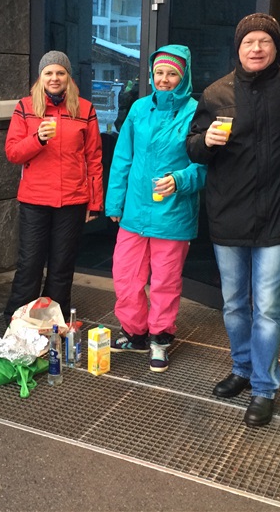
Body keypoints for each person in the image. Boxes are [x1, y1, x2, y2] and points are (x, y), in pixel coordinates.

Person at [186, 13, 280, 428]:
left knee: (268, 308)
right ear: (237, 48)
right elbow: (192, 147)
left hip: (275, 216)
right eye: (248, 42)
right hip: (228, 213)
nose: (256, 48)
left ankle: (264, 387)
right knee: (235, 303)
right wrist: (206, 141)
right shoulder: (216, 92)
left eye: (264, 41)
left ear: (275, 46)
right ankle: (241, 368)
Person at [105, 45, 206, 372]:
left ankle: (160, 338)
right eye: (159, 72)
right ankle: (134, 333)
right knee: (125, 276)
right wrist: (115, 201)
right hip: (135, 210)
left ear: (183, 76)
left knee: (165, 280)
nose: (164, 79)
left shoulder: (196, 112)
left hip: (173, 213)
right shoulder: (138, 109)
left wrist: (179, 180)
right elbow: (123, 157)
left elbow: (205, 165)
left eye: (172, 73)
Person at [3, 51, 104, 325]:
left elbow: (94, 158)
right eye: (49, 73)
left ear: (68, 77)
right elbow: (13, 153)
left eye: (60, 72)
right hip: (35, 199)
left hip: (72, 200)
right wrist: (37, 139)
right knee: (30, 265)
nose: (54, 78)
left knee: (62, 266)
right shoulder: (25, 107)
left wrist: (95, 202)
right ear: (41, 77)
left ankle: (53, 322)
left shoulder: (85, 109)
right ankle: (18, 322)